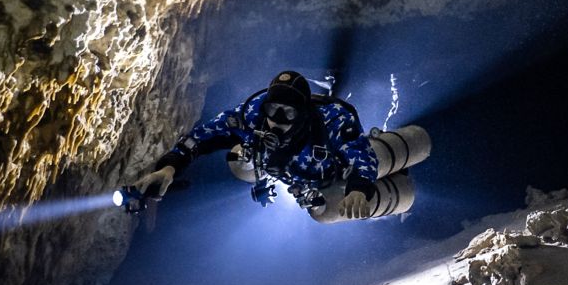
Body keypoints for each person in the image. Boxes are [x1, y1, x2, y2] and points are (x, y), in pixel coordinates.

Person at [130, 70, 381, 219]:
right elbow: (201, 136)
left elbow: (363, 157)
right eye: (273, 110)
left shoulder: (332, 119)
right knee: (237, 160)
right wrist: (169, 169)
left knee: (328, 214)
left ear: (303, 113)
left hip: (334, 175)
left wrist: (359, 189)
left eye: (288, 113)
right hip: (291, 177)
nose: (277, 121)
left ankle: (388, 183)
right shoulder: (253, 114)